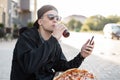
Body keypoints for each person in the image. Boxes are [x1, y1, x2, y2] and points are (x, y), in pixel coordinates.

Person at [10, 5, 94, 80]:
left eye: (57, 18)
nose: (55, 20)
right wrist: (53, 40)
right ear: (40, 22)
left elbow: (63, 67)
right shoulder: (26, 37)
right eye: (51, 17)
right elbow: (29, 67)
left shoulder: (53, 42)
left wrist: (81, 56)